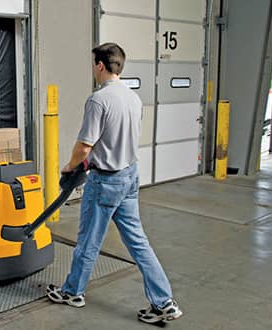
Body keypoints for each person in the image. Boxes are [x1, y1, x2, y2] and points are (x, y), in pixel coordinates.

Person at [45, 42, 183, 324]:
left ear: (100, 65)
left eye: (93, 64)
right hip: (130, 175)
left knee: (88, 240)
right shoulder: (133, 98)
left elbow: (85, 145)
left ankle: (73, 291)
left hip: (106, 180)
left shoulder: (99, 99)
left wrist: (70, 167)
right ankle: (164, 301)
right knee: (138, 241)